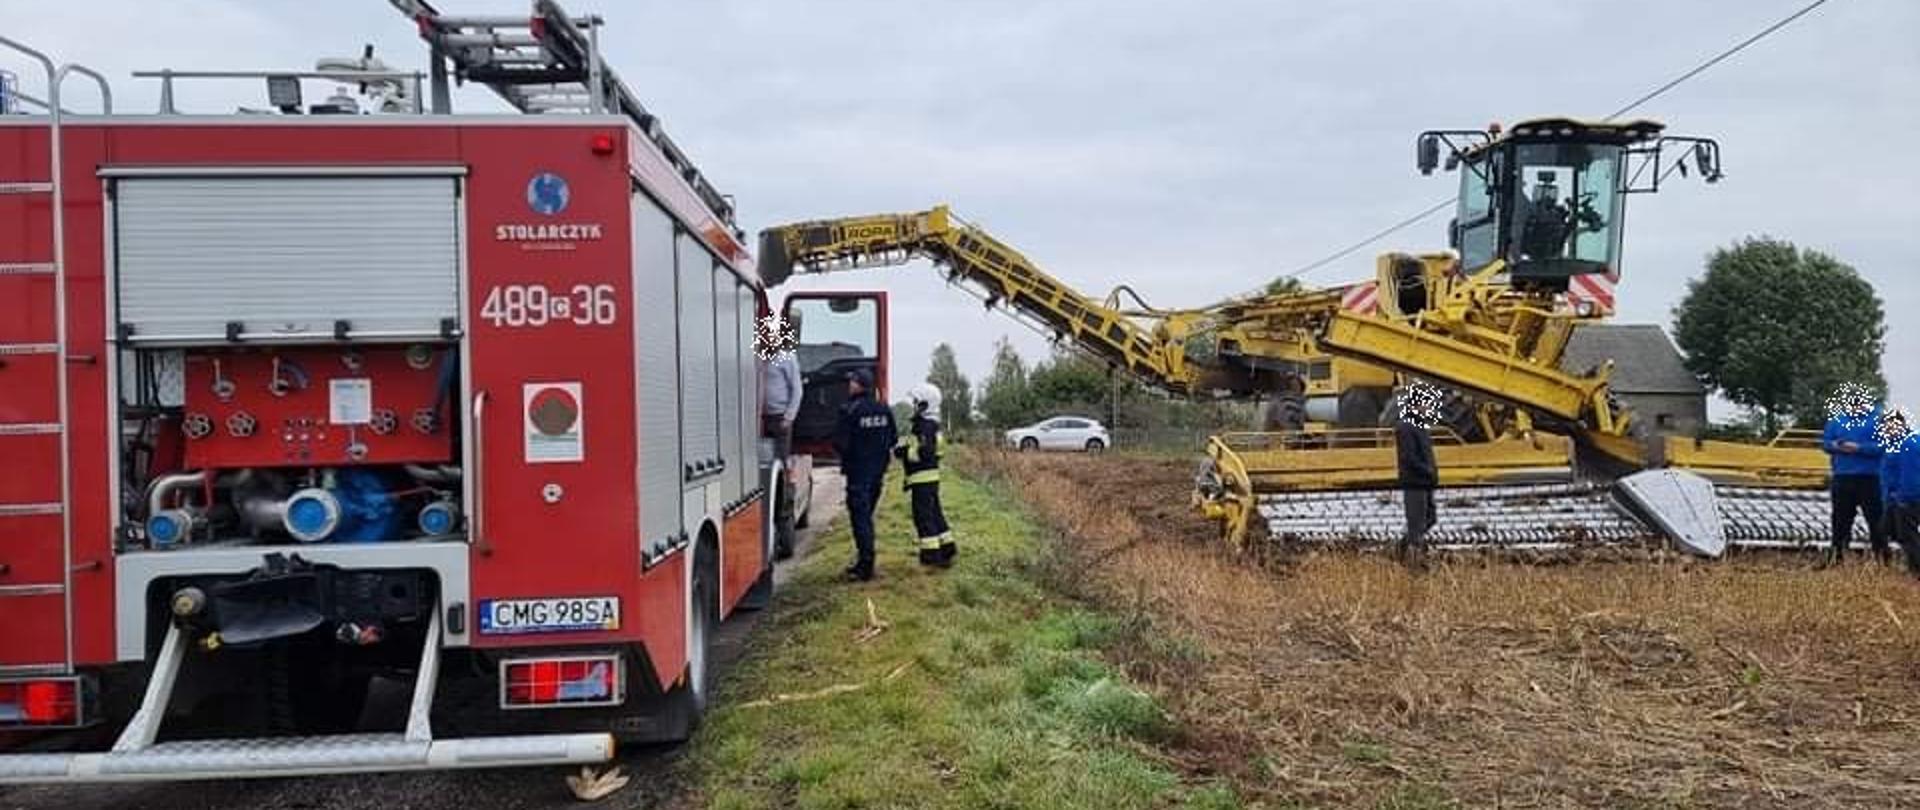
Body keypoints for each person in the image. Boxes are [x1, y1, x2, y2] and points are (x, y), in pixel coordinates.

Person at [833, 368, 895, 582]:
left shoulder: (849, 410)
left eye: (852, 382)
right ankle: (864, 561)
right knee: (866, 518)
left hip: (858, 474)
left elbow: (840, 443)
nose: (849, 385)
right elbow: (893, 439)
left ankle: (865, 566)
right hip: (877, 473)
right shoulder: (884, 409)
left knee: (861, 520)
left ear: (859, 385)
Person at [1821, 394, 1886, 565]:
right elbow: (1825, 443)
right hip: (1842, 477)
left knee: (1875, 519)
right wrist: (1836, 446)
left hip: (1870, 477)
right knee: (1840, 519)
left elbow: (1883, 447)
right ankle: (1836, 557)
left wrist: (1859, 448)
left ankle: (1882, 557)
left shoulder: (1878, 420)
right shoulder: (1836, 420)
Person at [895, 383, 955, 568]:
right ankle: (947, 547)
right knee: (935, 513)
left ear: (924, 404)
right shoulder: (933, 426)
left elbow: (920, 452)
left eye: (915, 402)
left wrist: (902, 452)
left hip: (922, 478)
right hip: (931, 477)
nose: (913, 406)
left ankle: (931, 555)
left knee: (923, 517)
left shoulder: (922, 427)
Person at [760, 311, 804, 559]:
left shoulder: (787, 358)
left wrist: (789, 417)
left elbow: (797, 391)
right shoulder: (759, 358)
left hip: (780, 421)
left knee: (780, 465)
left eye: (771, 335)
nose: (768, 339)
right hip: (761, 419)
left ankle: (783, 511)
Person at [1394, 381, 1440, 570]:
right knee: (1417, 522)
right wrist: (1427, 471)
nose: (1428, 407)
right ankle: (1413, 562)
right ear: (1416, 404)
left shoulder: (1418, 425)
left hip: (1424, 482)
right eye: (1426, 403)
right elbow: (1409, 457)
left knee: (1429, 518)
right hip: (1414, 482)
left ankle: (1403, 551)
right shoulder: (1406, 427)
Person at [1881, 409, 1918, 575]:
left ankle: (1916, 569)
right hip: (1894, 498)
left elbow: (1909, 475)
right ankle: (1908, 563)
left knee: (1907, 535)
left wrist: (1903, 497)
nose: (1888, 429)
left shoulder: (1908, 445)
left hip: (1906, 498)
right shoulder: (1893, 445)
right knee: (1888, 531)